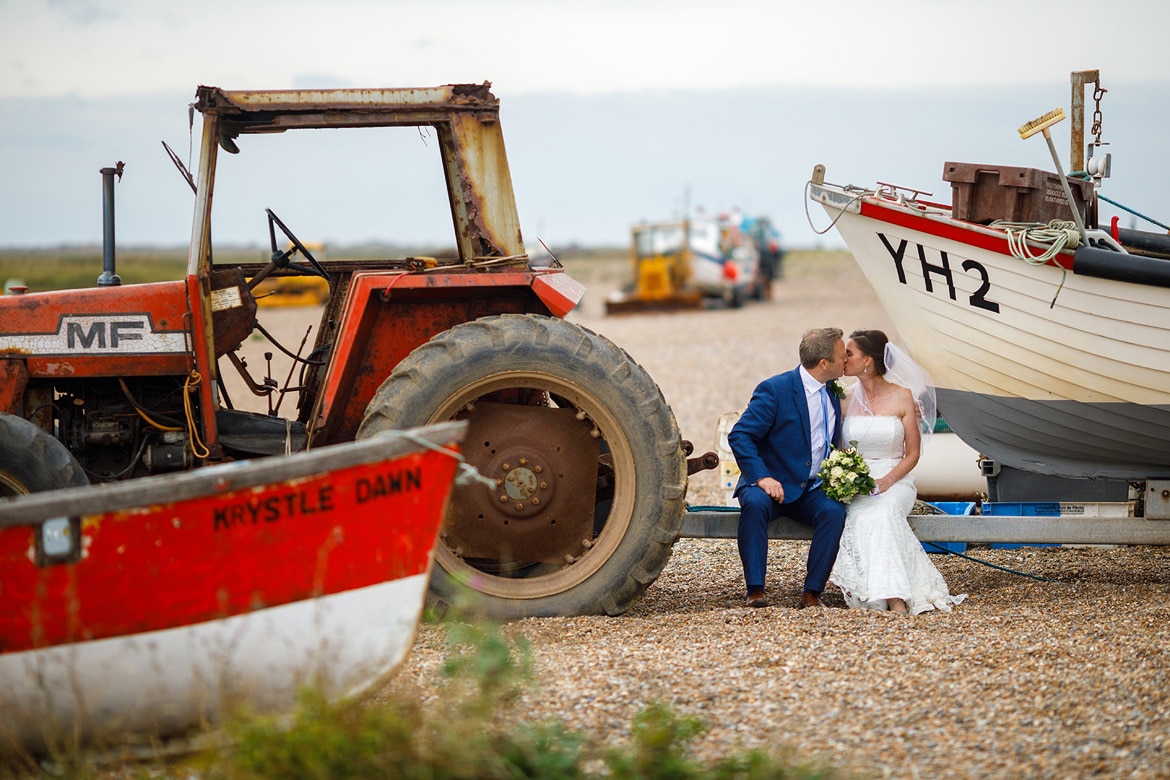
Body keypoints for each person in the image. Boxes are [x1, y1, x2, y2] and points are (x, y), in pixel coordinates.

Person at [828, 329, 967, 614]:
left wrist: (887, 481)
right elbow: (838, 449)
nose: (843, 358)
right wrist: (844, 476)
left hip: (896, 477)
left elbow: (913, 454)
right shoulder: (843, 399)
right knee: (867, 518)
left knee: (883, 513)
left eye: (849, 353)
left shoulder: (903, 397)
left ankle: (892, 598)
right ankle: (894, 598)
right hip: (857, 482)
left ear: (867, 361)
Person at [728, 327, 847, 609]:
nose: (847, 360)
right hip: (771, 483)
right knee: (754, 505)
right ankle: (755, 589)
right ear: (824, 363)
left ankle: (812, 593)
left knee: (834, 512)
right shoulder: (775, 389)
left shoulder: (832, 391)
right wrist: (762, 477)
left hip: (810, 488)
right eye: (842, 356)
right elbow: (740, 435)